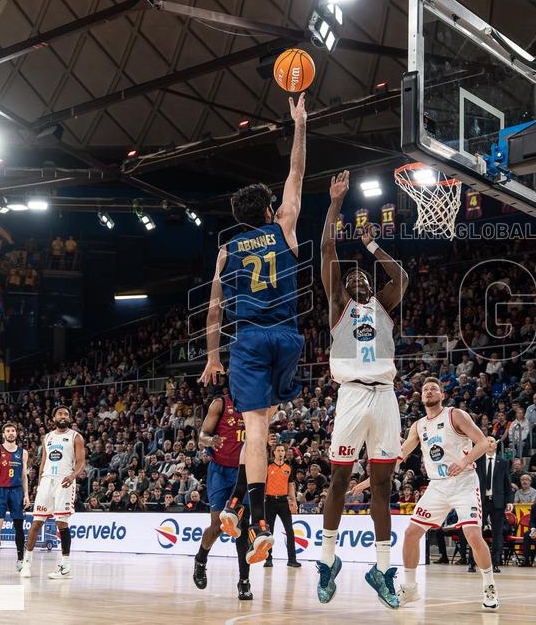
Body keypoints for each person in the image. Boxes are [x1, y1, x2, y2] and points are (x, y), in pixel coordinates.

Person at [203, 93, 308, 568]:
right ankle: (252, 518)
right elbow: (296, 174)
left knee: (257, 429)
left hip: (246, 341)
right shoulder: (283, 227)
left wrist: (212, 355)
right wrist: (299, 124)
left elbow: (214, 309)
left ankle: (253, 517)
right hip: (287, 338)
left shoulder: (227, 252)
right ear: (268, 208)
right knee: (266, 424)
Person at [314, 170, 409, 609]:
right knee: (339, 478)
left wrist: (372, 246)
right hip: (352, 394)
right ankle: (327, 561)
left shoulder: (383, 304)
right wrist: (336, 203)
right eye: (350, 279)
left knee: (383, 485)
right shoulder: (339, 306)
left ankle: (381, 569)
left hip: (385, 396)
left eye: (362, 278)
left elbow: (401, 278)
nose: (357, 281)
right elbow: (327, 250)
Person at [358, 378, 496, 609]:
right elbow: (399, 456)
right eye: (425, 389)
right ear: (420, 396)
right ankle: (410, 589)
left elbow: (482, 443)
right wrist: (370, 480)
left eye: (433, 389)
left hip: (463, 482)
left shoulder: (455, 415)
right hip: (437, 486)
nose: (429, 391)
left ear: (442, 395)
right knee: (411, 533)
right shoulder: (418, 425)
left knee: (472, 535)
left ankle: (489, 586)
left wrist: (464, 461)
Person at [192, 395, 254, 600]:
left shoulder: (255, 403)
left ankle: (244, 581)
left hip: (243, 471)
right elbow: (202, 436)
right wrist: (211, 440)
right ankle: (201, 559)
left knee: (242, 526)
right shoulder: (220, 403)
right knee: (218, 526)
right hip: (219, 471)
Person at [20, 405, 85, 579]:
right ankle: (26, 564)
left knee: (62, 523)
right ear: (53, 418)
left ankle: (65, 566)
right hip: (47, 481)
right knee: (36, 522)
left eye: (66, 414)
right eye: (60, 414)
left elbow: (81, 462)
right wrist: (40, 482)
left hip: (64, 481)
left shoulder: (76, 437)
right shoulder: (47, 437)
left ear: (69, 418)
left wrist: (73, 476)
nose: (63, 416)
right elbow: (43, 461)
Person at [0, 421, 29, 573]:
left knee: (19, 527)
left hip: (17, 491)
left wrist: (26, 495)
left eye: (13, 431)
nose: (11, 433)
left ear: (16, 433)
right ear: (4, 434)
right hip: (0, 491)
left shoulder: (23, 453)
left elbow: (24, 476)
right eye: (8, 431)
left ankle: (20, 561)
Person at [476, 436, 513, 573]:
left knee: (497, 533)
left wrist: (509, 501)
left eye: (492, 441)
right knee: (477, 532)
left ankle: (495, 563)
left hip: (497, 501)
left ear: (496, 445)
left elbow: (507, 483)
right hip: (481, 501)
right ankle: (473, 562)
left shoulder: (502, 462)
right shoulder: (478, 461)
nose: (489, 443)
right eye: (487, 441)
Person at [264, 444, 301, 568]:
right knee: (269, 531)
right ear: (274, 452)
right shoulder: (268, 466)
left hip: (283, 501)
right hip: (269, 501)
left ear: (285, 453)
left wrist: (294, 501)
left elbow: (290, 486)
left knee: (289, 530)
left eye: (282, 451)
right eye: (278, 450)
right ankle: (268, 559)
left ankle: (292, 560)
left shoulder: (288, 468)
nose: (280, 452)